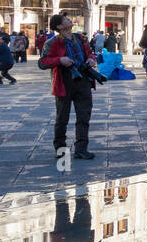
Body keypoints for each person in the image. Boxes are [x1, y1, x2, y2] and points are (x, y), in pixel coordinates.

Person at [40, 13, 103, 161]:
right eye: (65, 20)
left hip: (83, 81)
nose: (69, 20)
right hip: (64, 82)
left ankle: (81, 149)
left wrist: (91, 60)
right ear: (59, 27)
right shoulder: (52, 42)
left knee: (84, 116)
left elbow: (90, 54)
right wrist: (60, 60)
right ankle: (60, 149)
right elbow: (42, 62)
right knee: (62, 117)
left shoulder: (80, 38)